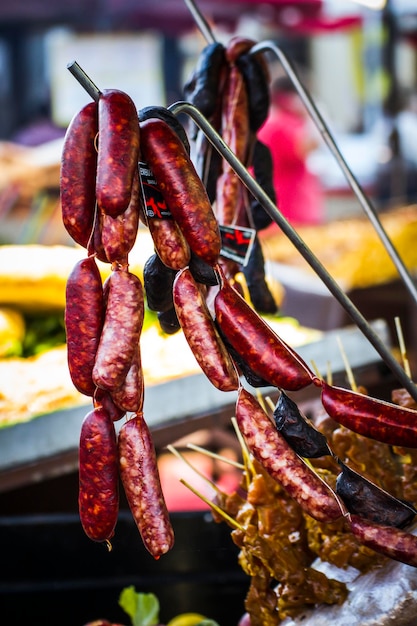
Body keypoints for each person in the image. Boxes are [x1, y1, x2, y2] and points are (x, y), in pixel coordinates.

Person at [257, 74, 325, 233]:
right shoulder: (281, 124)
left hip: (282, 220)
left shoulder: (269, 123)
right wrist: (311, 112)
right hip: (290, 222)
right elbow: (310, 144)